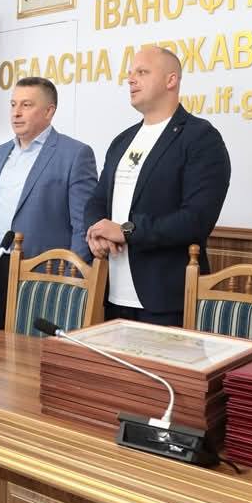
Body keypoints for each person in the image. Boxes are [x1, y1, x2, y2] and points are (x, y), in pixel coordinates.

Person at [84, 45, 230, 326]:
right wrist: (95, 232)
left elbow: (196, 219)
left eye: (142, 72)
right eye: (130, 73)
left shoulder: (200, 138)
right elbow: (97, 200)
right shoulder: (122, 141)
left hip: (166, 300)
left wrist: (126, 231)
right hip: (112, 295)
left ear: (171, 80)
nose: (131, 79)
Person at [0, 77, 97, 329]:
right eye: (13, 104)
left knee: (37, 349)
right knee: (0, 347)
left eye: (26, 105)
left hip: (47, 274)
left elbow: (82, 226)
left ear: (49, 111)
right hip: (0, 268)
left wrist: (70, 282)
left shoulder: (75, 154)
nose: (16, 113)